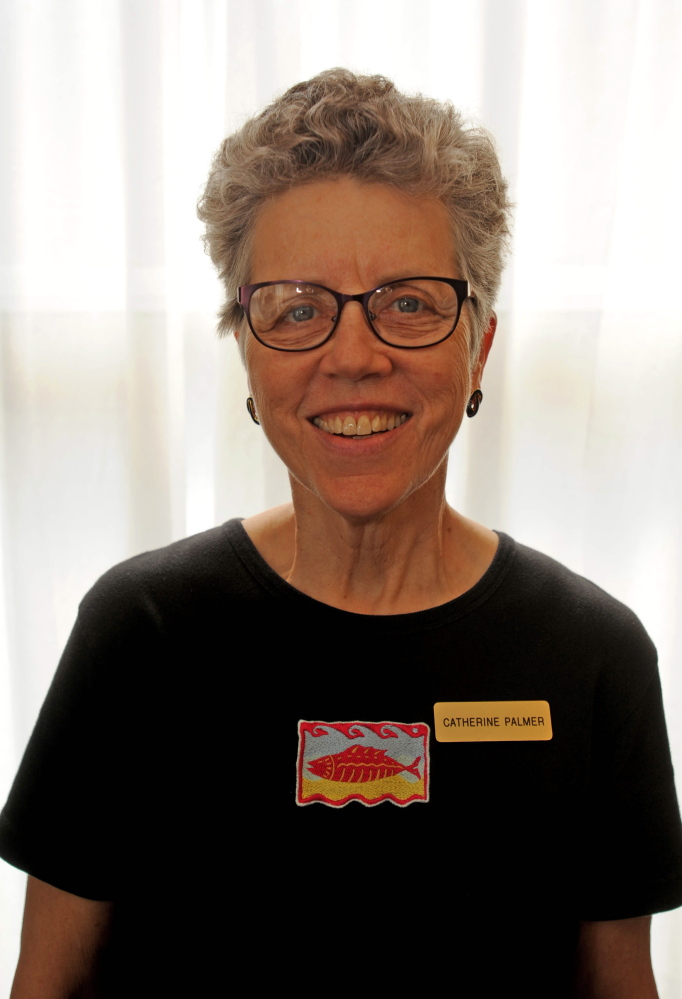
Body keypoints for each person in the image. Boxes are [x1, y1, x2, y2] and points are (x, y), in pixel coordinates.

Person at [2, 68, 681, 998]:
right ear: (245, 345)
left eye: (408, 302)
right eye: (297, 307)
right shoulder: (140, 631)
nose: (354, 356)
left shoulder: (594, 657)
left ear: (477, 345)